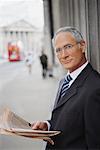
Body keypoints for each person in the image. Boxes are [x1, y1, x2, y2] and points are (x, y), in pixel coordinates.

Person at [31, 27, 100, 149]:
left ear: (82, 46)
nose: (63, 55)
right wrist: (47, 125)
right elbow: (68, 119)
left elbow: (95, 143)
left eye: (68, 47)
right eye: (58, 50)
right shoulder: (64, 81)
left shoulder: (95, 87)